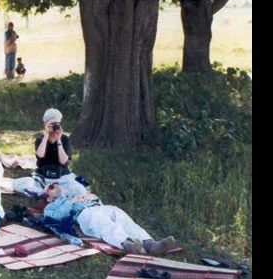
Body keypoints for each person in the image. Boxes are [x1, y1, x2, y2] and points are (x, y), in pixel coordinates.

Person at [43, 183, 178, 255]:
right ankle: (127, 244)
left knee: (123, 218)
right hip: (84, 214)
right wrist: (71, 202)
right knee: (104, 224)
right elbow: (53, 217)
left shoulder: (76, 192)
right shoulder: (52, 206)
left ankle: (151, 244)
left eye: (56, 184)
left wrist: (93, 197)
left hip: (101, 207)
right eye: (50, 187)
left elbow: (88, 189)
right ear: (48, 197)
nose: (55, 186)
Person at [12, 108, 88, 198]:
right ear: (45, 124)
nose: (55, 126)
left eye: (57, 123)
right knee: (19, 184)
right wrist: (46, 136)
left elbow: (63, 161)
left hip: (62, 176)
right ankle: (52, 193)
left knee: (81, 190)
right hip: (42, 176)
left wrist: (58, 140)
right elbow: (40, 155)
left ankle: (48, 192)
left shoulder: (64, 139)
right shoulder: (40, 139)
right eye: (52, 124)